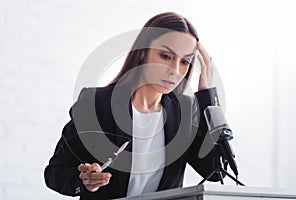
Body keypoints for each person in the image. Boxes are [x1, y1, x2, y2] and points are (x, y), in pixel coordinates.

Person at [44, 12, 222, 200]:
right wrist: (84, 181)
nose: (175, 70)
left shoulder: (185, 111)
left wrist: (207, 99)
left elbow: (215, 170)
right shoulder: (96, 104)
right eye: (165, 56)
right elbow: (55, 173)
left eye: (185, 61)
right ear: (143, 52)